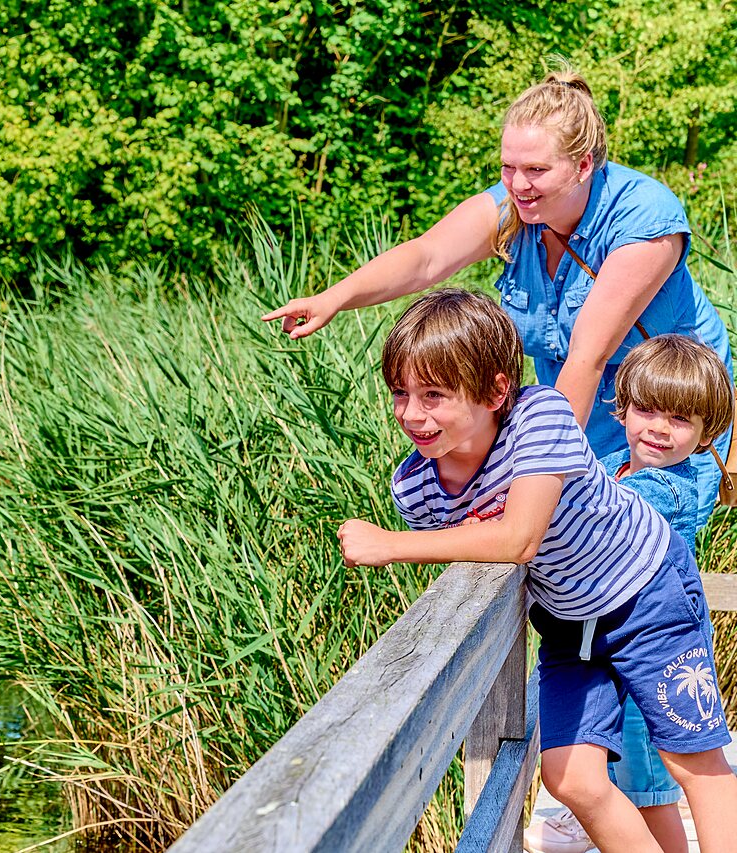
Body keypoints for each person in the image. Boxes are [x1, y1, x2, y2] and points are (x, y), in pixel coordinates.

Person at [336, 289, 737, 852]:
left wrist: (391, 545)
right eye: (400, 394)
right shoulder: (417, 486)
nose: (411, 414)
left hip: (646, 591)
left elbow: (519, 538)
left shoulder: (538, 417)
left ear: (497, 390)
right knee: (570, 775)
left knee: (693, 759)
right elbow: (472, 552)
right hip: (571, 620)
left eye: (434, 395)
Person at [261, 68, 733, 521]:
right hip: (572, 405)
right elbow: (426, 257)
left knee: (624, 547)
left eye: (536, 169)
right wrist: (333, 298)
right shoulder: (517, 208)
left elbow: (587, 357)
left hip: (667, 413)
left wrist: (531, 485)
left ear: (584, 165)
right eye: (508, 168)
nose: (519, 184)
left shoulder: (644, 219)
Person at [525, 335, 735, 853]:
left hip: (649, 638)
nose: (659, 430)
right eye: (647, 409)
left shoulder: (670, 487)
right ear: (621, 408)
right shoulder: (614, 462)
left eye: (681, 420)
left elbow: (587, 515)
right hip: (592, 640)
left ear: (708, 432)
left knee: (662, 778)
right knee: (615, 781)